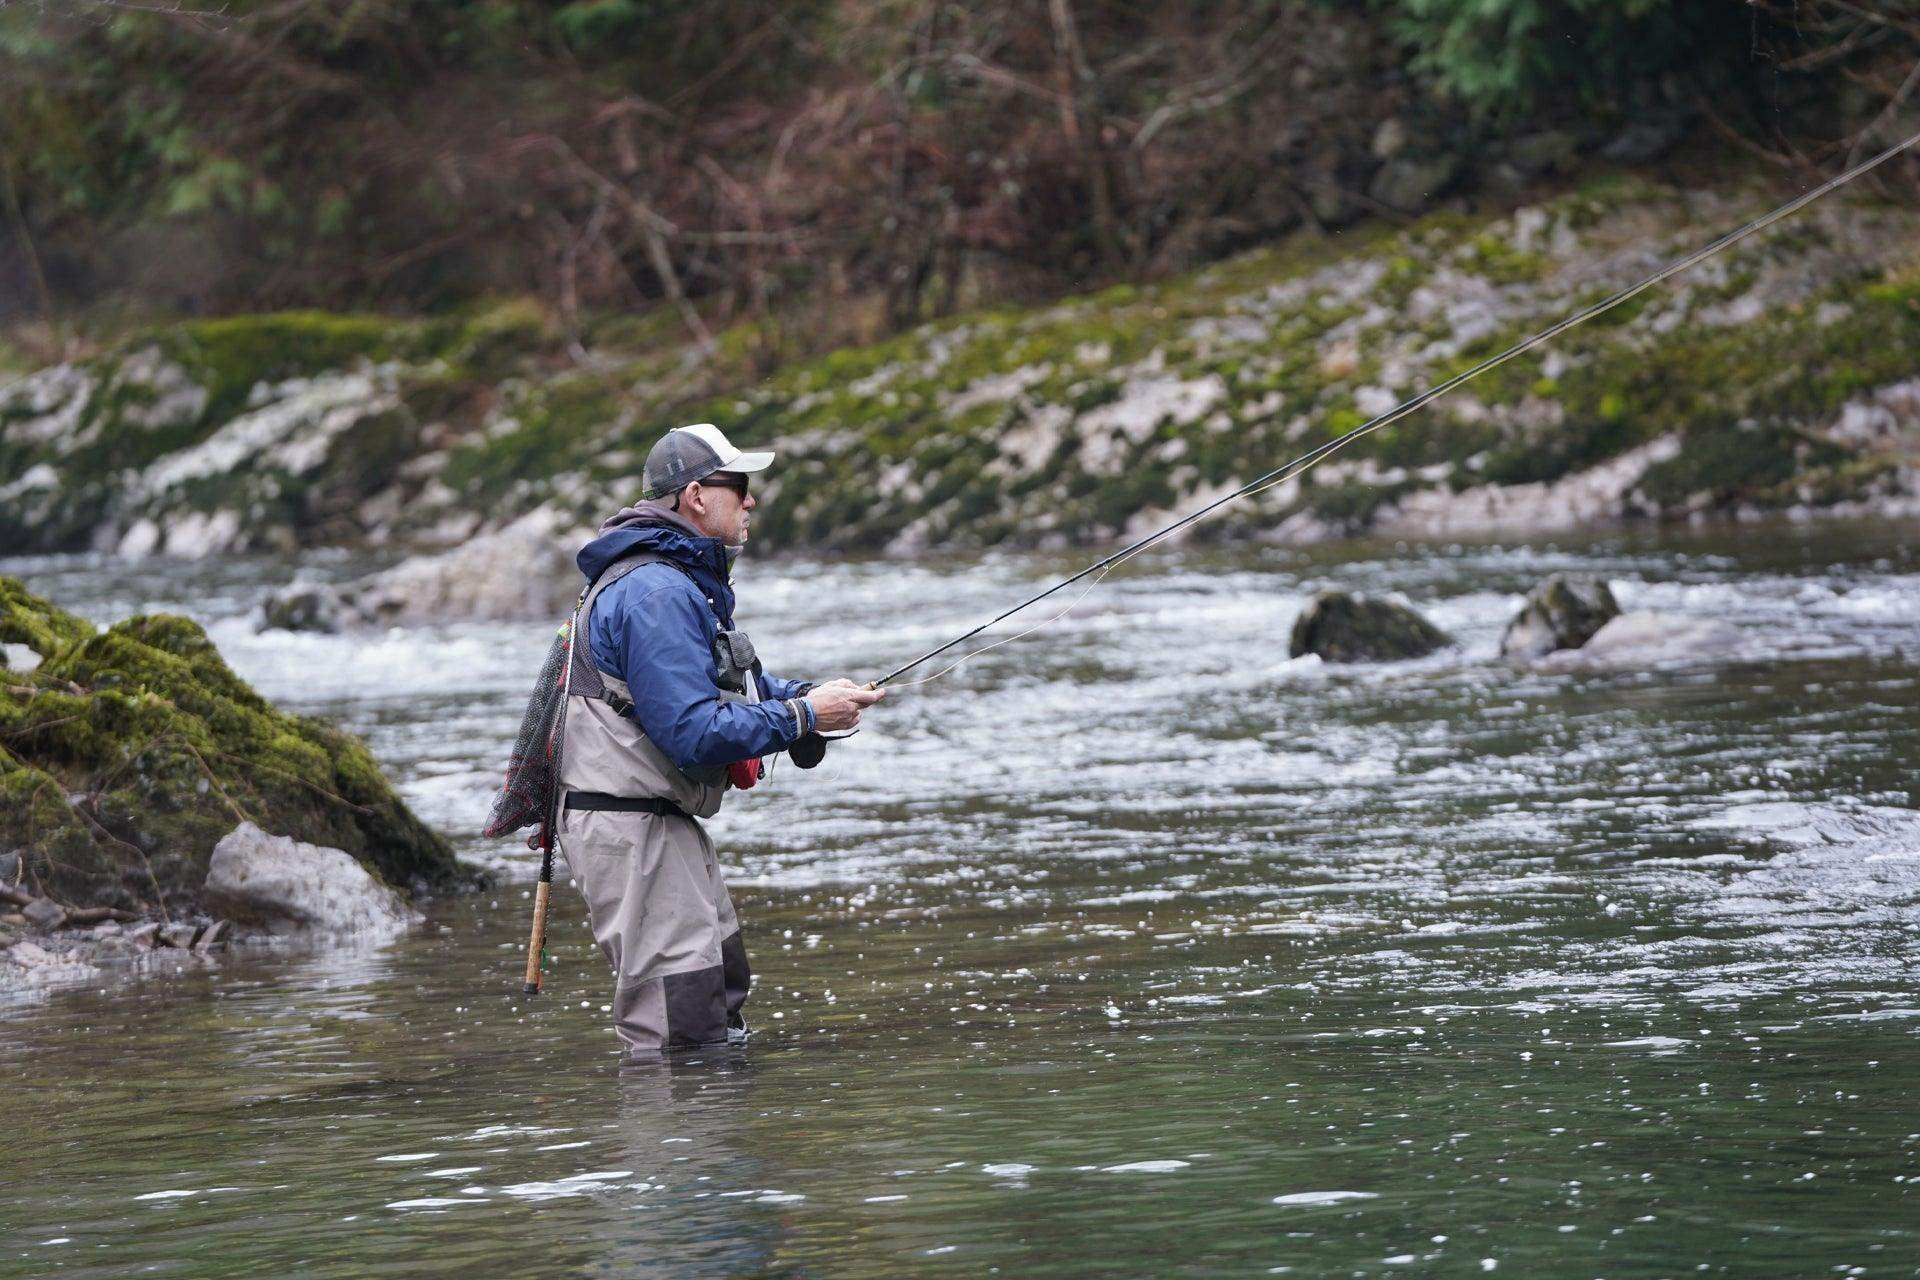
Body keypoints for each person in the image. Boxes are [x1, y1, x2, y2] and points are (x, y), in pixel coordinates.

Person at [557, 423, 882, 1061]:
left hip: (659, 821)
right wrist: (802, 718)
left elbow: (732, 685)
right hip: (631, 829)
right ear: (698, 496)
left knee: (720, 988)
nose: (752, 501)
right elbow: (693, 730)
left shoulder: (678, 581)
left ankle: (712, 1146)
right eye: (741, 486)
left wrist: (812, 698)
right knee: (680, 1026)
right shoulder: (656, 593)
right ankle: (678, 1154)